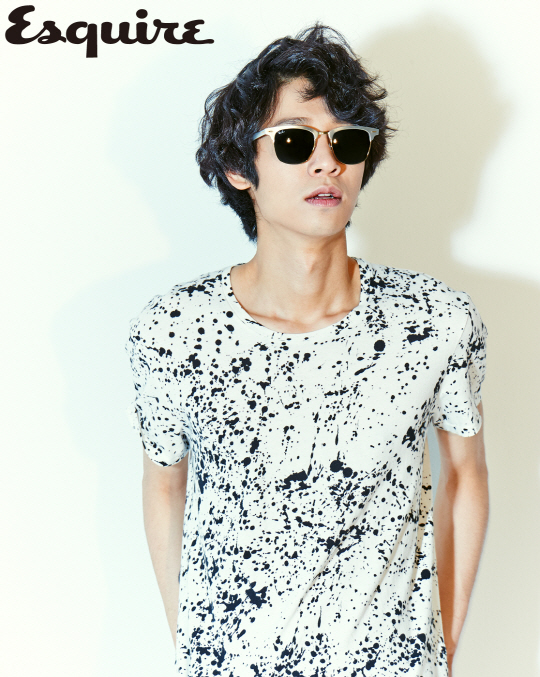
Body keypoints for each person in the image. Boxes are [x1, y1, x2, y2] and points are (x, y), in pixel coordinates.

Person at [125, 23, 489, 677]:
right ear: (240, 168)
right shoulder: (174, 330)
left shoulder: (435, 321)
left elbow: (465, 475)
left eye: (346, 141)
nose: (328, 163)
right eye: (295, 141)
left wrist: (443, 645)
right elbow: (164, 482)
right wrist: (196, 645)